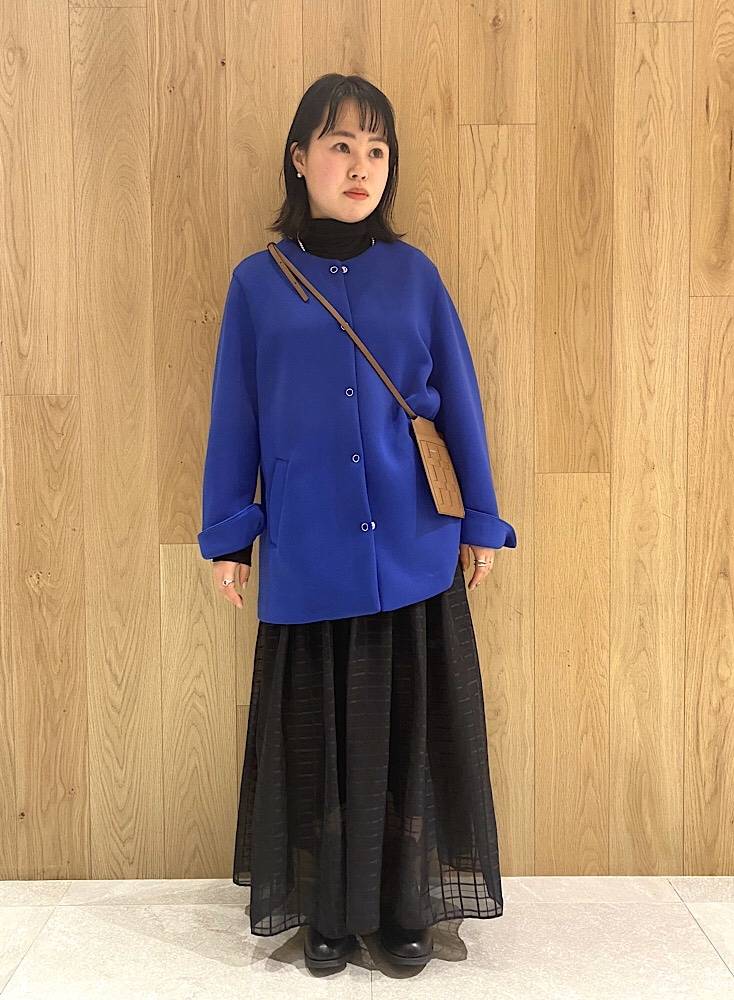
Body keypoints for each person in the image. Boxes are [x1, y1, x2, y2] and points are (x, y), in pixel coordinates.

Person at [197, 73, 517, 972]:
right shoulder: (256, 285)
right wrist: (228, 536)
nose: (361, 166)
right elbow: (235, 415)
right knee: (322, 742)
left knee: (405, 738)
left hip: (413, 548)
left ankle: (405, 907)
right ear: (299, 159)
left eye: (377, 150)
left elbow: (460, 403)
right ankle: (328, 910)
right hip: (309, 549)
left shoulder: (416, 276)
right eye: (341, 145)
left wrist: (481, 522)